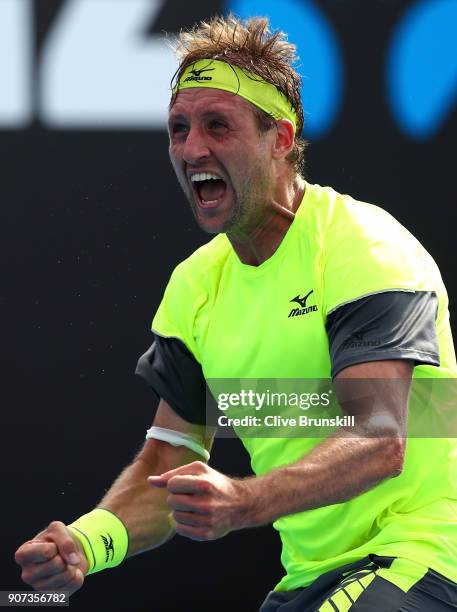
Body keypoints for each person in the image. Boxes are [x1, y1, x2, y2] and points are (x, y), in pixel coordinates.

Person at [15, 15, 457, 611]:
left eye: (217, 125)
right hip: (308, 580)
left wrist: (245, 502)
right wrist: (87, 542)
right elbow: (169, 460)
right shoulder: (196, 287)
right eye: (179, 128)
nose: (191, 148)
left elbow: (380, 439)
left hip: (422, 558)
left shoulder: (365, 247)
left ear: (280, 137)